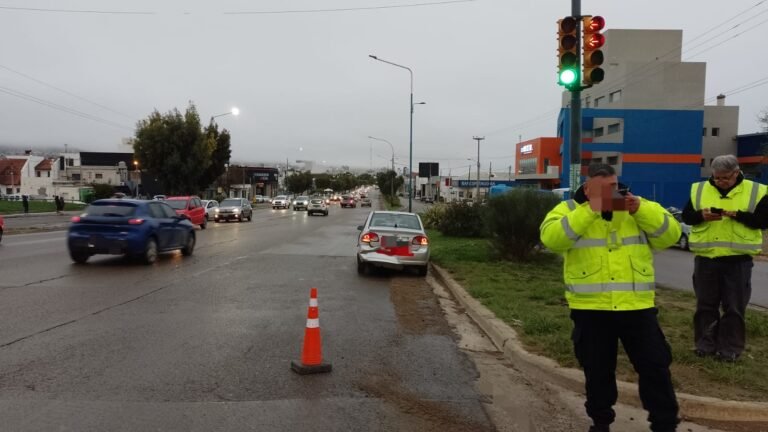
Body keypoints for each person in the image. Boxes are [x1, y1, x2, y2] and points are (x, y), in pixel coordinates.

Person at [540, 164, 681, 432]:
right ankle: (600, 421)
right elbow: (553, 240)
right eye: (602, 189)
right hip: (591, 308)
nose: (610, 193)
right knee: (597, 370)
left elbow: (669, 236)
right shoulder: (569, 210)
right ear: (587, 187)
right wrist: (590, 209)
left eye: (613, 187)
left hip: (637, 307)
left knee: (655, 366)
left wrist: (641, 209)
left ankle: (664, 423)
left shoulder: (638, 207)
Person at [682, 155, 768, 362]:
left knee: (734, 307)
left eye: (725, 178)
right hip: (706, 259)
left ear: (736, 173)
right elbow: (686, 217)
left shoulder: (757, 191)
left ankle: (729, 349)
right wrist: (702, 215)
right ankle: (705, 344)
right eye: (717, 177)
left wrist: (736, 214)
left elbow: (763, 221)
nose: (720, 181)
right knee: (705, 305)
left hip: (737, 261)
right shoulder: (699, 189)